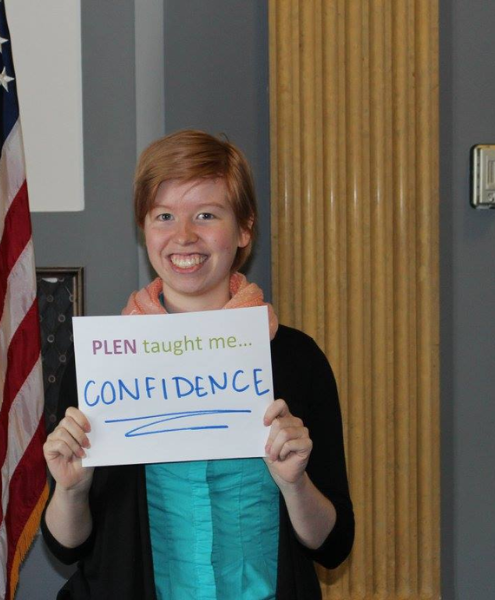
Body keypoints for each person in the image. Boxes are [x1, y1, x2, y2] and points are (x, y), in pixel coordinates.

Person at [41, 130, 354, 599]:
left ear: (245, 228)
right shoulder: (99, 364)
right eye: (164, 216)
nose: (183, 235)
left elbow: (331, 545)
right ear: (144, 228)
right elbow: (66, 547)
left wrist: (295, 484)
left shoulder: (296, 360)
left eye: (206, 214)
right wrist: (71, 490)